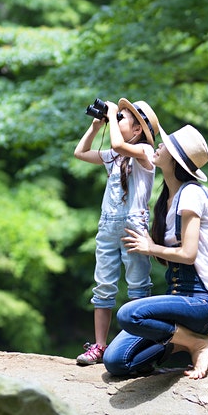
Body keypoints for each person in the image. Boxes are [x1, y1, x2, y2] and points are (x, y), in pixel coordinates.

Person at [102, 124, 208, 379]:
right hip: (178, 300)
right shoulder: (166, 198)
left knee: (129, 313)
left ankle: (198, 343)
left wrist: (151, 247)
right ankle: (179, 341)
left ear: (176, 159)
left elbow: (188, 254)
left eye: (165, 146)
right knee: (116, 362)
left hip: (202, 301)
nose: (159, 145)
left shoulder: (192, 193)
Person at [73, 98, 161, 366]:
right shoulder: (115, 155)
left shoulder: (145, 151)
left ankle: (137, 342)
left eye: (122, 118)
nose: (117, 119)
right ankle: (99, 345)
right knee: (103, 285)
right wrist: (96, 126)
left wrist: (111, 117)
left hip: (133, 226)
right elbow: (80, 152)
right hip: (108, 226)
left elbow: (117, 144)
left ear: (137, 130)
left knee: (137, 285)